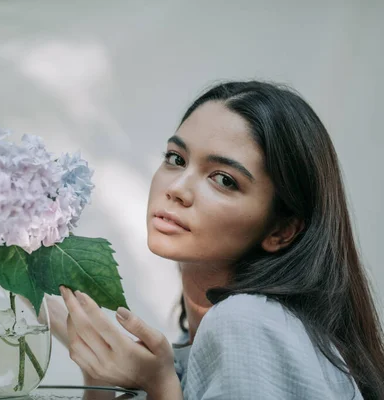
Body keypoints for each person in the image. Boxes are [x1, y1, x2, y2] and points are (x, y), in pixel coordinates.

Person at [45, 81, 384, 399]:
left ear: (281, 231)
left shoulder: (244, 324)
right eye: (176, 159)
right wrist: (101, 377)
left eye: (223, 179)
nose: (176, 189)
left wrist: (158, 385)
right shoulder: (196, 338)